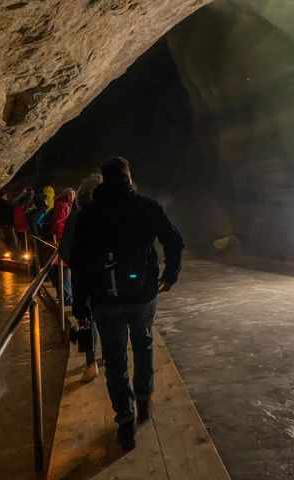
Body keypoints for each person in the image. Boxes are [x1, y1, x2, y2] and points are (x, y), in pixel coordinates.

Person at [72, 157, 184, 451]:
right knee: (143, 343)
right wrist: (170, 274)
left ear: (104, 181)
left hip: (105, 298)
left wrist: (80, 303)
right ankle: (145, 398)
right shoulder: (147, 206)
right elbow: (174, 240)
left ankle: (124, 419)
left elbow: (78, 263)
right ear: (128, 177)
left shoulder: (89, 215)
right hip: (143, 294)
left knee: (114, 358)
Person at [59, 174, 104, 383]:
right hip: (108, 278)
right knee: (110, 318)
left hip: (84, 279)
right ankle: (111, 357)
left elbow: (65, 251)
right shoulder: (111, 214)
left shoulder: (76, 217)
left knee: (87, 320)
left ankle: (91, 363)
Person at [50, 188, 75, 305]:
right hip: (63, 241)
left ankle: (65, 297)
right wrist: (66, 236)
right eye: (71, 195)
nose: (73, 197)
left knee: (62, 270)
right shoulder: (63, 206)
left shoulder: (62, 204)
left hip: (62, 240)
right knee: (64, 270)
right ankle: (67, 298)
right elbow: (59, 223)